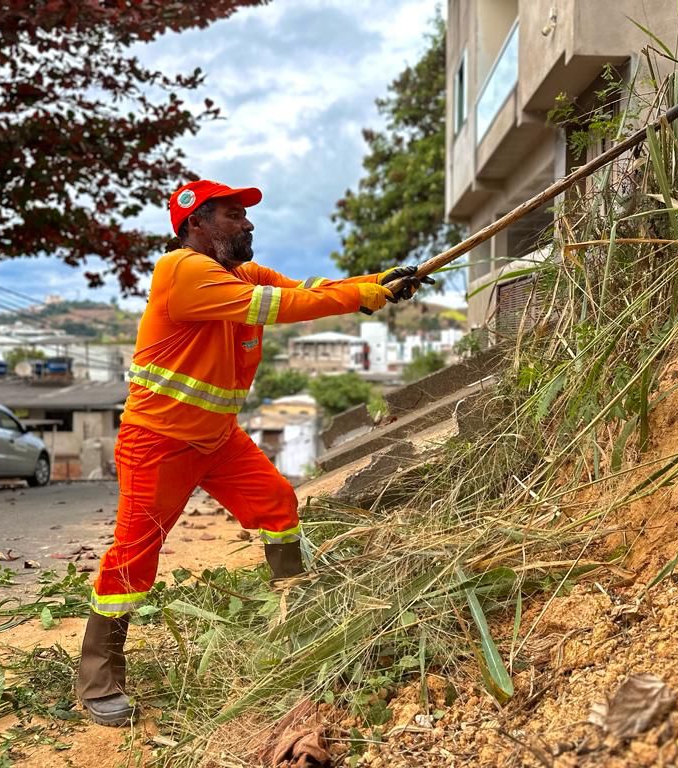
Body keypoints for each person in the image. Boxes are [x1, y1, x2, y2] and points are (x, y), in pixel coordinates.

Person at [77, 179, 431, 726]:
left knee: (276, 505)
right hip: (159, 442)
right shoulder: (182, 272)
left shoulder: (240, 275)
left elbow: (307, 289)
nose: (248, 225)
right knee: (134, 555)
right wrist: (361, 295)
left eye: (246, 216)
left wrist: (376, 283)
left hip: (217, 436)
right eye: (233, 216)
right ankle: (99, 677)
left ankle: (297, 617)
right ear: (195, 224)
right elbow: (280, 306)